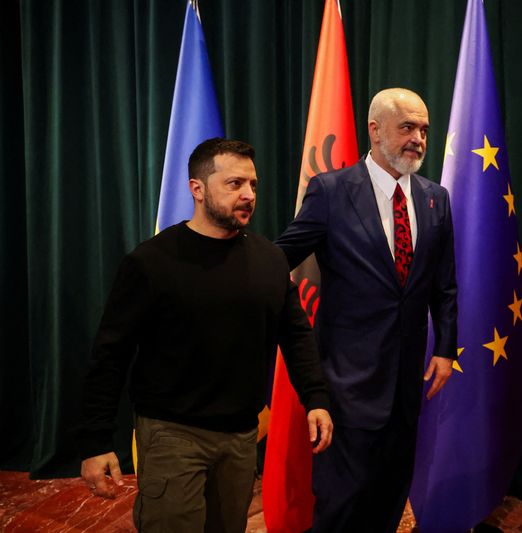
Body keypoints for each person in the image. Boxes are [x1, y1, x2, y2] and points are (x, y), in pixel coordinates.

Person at [74, 138, 333, 532]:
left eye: (253, 185)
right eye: (234, 184)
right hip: (172, 436)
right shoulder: (150, 263)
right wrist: (95, 441)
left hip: (242, 437)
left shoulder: (270, 259)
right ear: (197, 189)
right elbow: (110, 356)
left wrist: (315, 397)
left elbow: (295, 334)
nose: (248, 195)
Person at [276, 88, 457, 532]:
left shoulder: (436, 199)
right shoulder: (331, 192)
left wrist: (447, 349)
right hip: (347, 383)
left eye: (424, 130)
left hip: (407, 383)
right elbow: (279, 256)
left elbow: (444, 284)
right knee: (342, 502)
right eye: (407, 127)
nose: (418, 138)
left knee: (390, 493)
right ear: (375, 131)